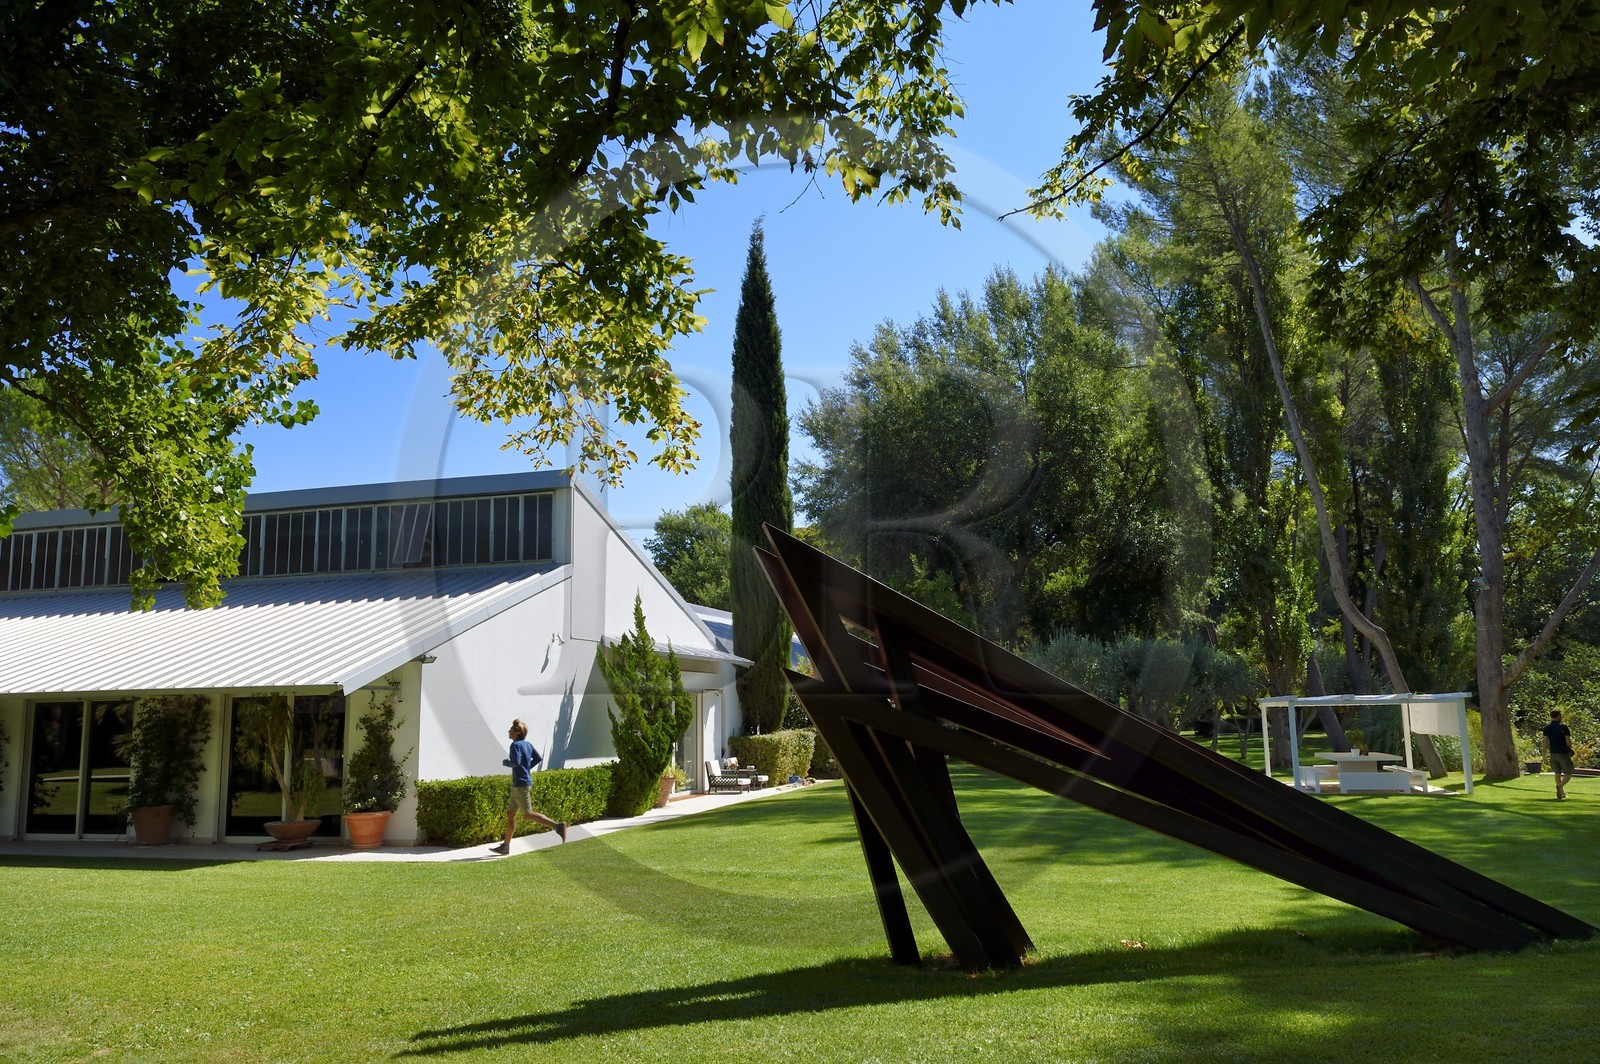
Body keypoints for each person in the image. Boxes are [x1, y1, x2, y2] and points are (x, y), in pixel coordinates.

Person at [490, 719, 566, 853]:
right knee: (511, 813)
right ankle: (505, 846)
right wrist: (527, 768)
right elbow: (538, 758)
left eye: (511, 729)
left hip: (520, 784)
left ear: (516, 732)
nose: (509, 731)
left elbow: (516, 762)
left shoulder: (515, 745)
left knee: (528, 814)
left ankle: (558, 826)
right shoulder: (527, 744)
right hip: (520, 783)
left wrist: (506, 763)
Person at [1541, 709, 1575, 801]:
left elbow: (1545, 741)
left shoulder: (1547, 728)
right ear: (1558, 716)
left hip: (1553, 753)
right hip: (1563, 753)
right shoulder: (1563, 727)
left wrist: (1543, 753)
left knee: (1557, 772)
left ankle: (1562, 792)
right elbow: (1568, 740)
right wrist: (1570, 749)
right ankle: (1560, 786)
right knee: (1569, 772)